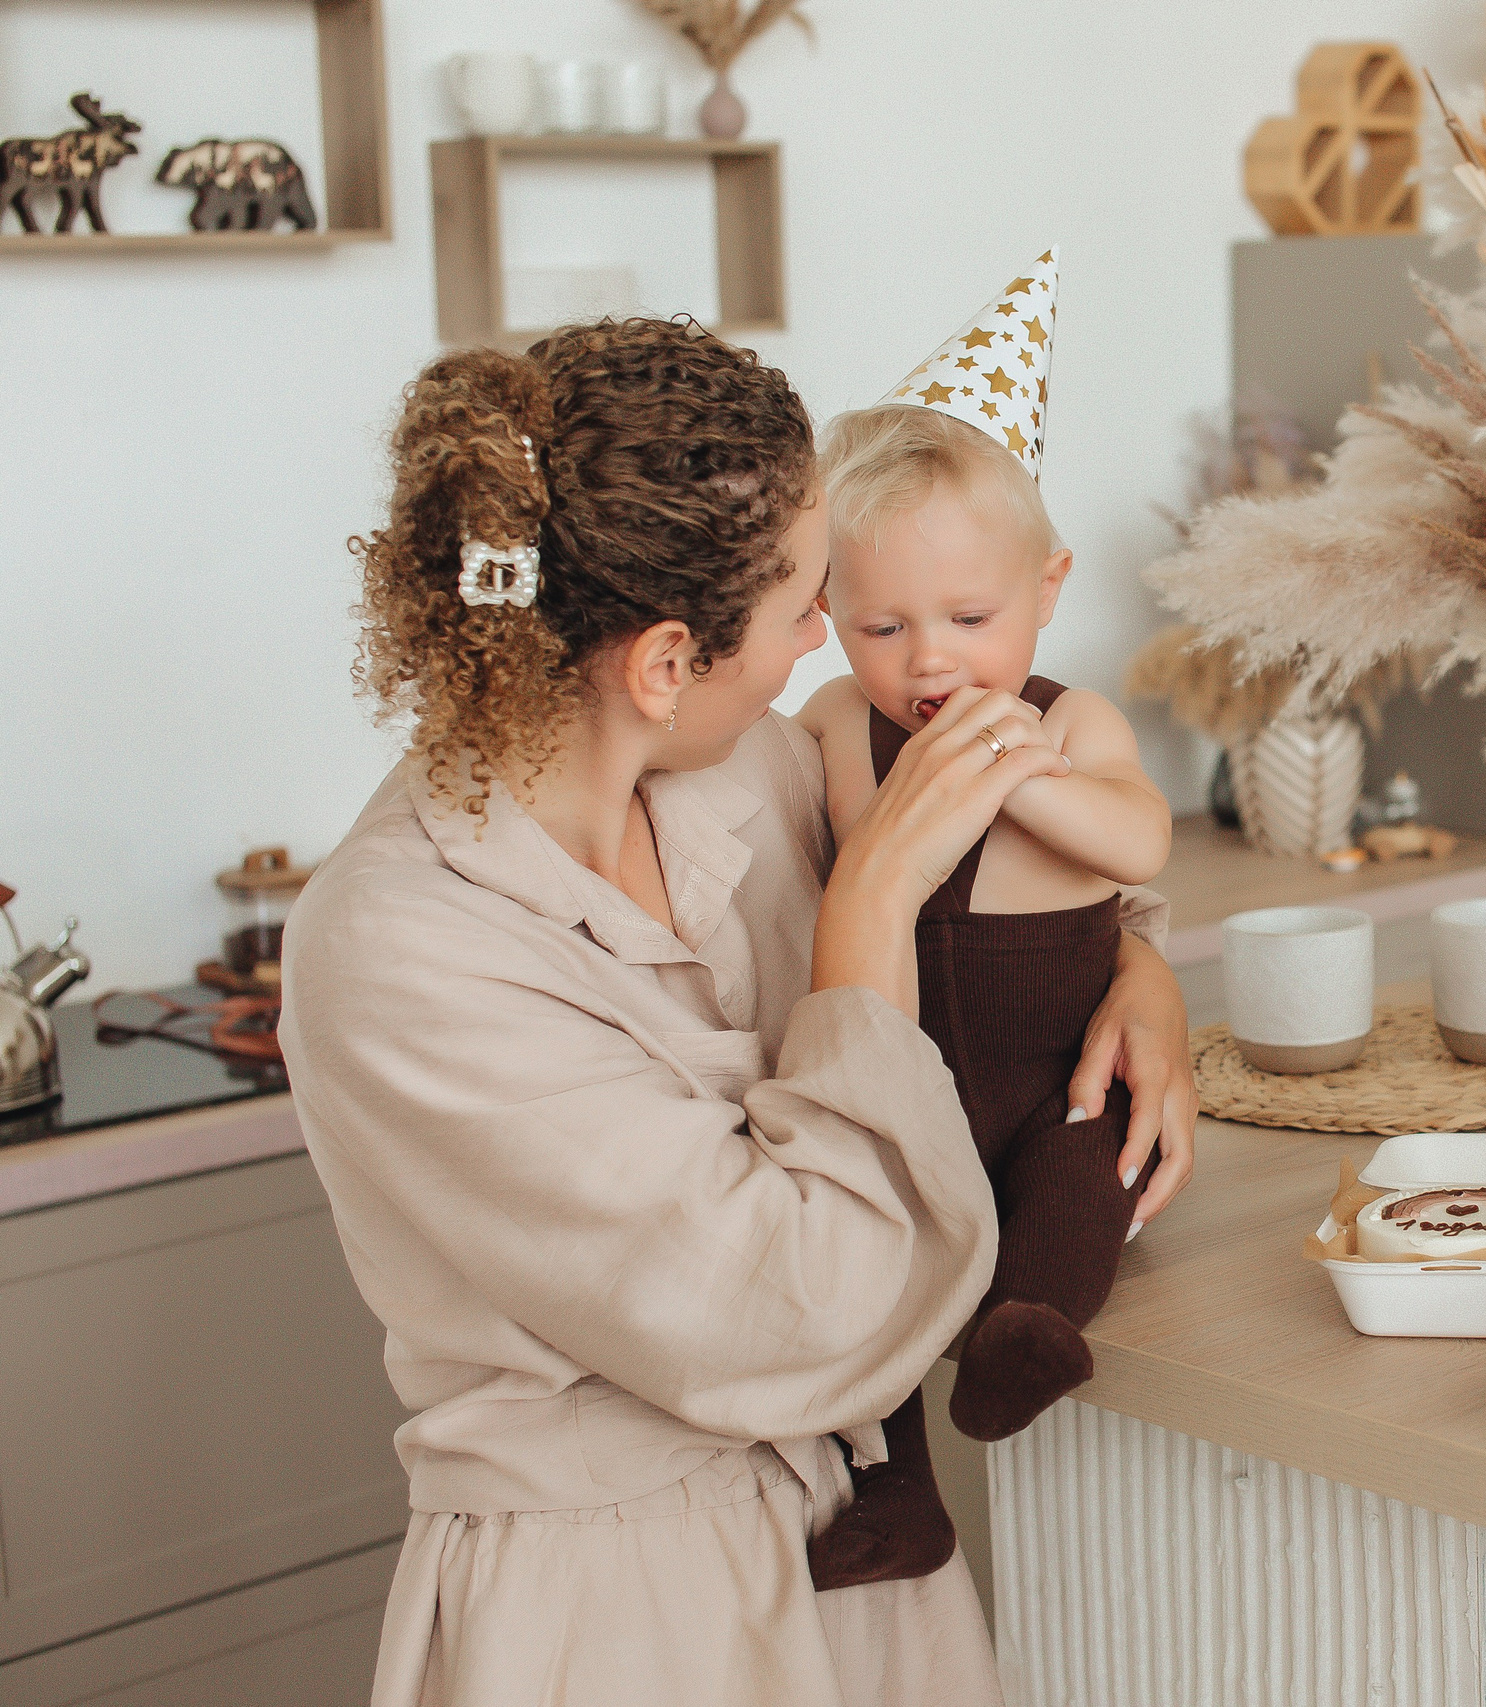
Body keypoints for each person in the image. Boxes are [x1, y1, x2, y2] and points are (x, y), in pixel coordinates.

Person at [279, 316, 1196, 1707]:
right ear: (662, 663)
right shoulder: (401, 949)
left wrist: (1143, 976)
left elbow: (1014, 883)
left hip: (867, 1562)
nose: (825, 641)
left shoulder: (740, 775)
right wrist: (867, 910)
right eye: (802, 608)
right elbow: (811, 1305)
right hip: (621, 1617)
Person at [793, 258, 1177, 1588]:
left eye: (970, 617)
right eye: (882, 624)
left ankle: (1030, 1324)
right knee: (869, 1261)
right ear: (825, 614)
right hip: (906, 1080)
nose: (930, 662)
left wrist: (1031, 778)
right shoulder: (838, 724)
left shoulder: (1069, 723)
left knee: (1089, 1168)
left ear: (1051, 586)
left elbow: (1145, 843)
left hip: (1044, 1079)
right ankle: (898, 1489)